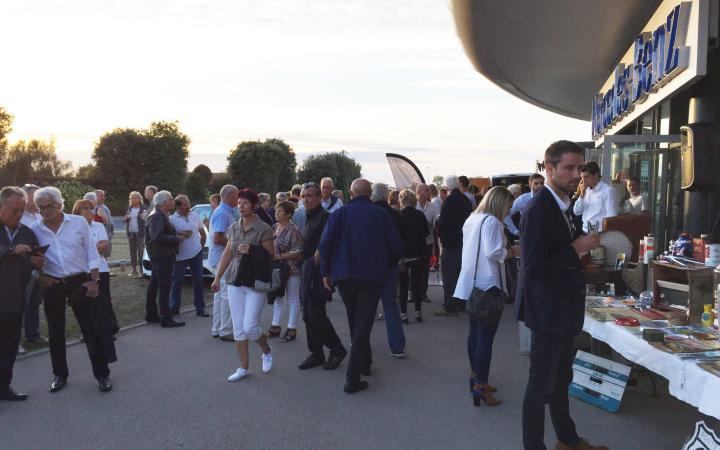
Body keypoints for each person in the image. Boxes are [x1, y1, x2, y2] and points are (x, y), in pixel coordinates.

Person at [516, 141, 605, 450]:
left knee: (560, 382)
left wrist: (577, 248)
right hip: (549, 314)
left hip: (563, 312)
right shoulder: (539, 207)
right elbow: (534, 267)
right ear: (549, 169)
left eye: (578, 168)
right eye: (568, 168)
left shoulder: (562, 204)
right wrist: (575, 249)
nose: (575, 174)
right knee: (539, 388)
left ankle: (567, 440)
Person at [319, 179, 403, 393]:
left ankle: (363, 364)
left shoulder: (339, 214)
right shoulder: (381, 215)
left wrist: (326, 272)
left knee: (355, 320)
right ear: (371, 194)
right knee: (363, 324)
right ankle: (354, 376)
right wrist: (386, 266)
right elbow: (396, 246)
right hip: (372, 276)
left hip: (345, 275)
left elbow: (325, 244)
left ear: (351, 192)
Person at [31, 186, 114, 393]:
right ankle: (60, 374)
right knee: (56, 332)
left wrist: (94, 280)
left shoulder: (78, 223)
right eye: (40, 208)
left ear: (60, 205)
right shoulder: (35, 229)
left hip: (80, 281)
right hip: (53, 284)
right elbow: (31, 260)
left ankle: (102, 375)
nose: (44, 212)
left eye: (49, 207)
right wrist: (39, 277)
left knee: (91, 329)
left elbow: (91, 252)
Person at [454, 186, 519, 407]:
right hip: (489, 283)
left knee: (475, 334)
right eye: (508, 207)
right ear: (500, 203)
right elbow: (493, 252)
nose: (508, 211)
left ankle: (476, 378)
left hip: (473, 281)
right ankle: (481, 384)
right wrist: (512, 252)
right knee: (485, 339)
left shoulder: (472, 218)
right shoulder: (491, 221)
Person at [211, 189, 275, 381]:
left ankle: (267, 350)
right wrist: (217, 278)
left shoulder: (264, 228)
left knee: (250, 327)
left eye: (245, 203)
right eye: (239, 203)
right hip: (235, 280)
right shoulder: (234, 227)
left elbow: (271, 256)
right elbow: (228, 253)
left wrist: (253, 250)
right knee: (239, 328)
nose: (241, 206)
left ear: (254, 206)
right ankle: (244, 368)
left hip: (256, 282)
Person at [297, 182, 347, 371]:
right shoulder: (308, 217)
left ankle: (336, 348)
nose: (306, 199)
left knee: (316, 314)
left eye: (310, 195)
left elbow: (327, 247)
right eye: (303, 196)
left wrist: (318, 268)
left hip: (319, 273)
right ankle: (316, 352)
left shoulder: (326, 218)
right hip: (307, 271)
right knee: (308, 316)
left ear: (319, 198)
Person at [0, 186, 44, 401]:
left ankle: (4, 387)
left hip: (14, 301)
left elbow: (31, 265)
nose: (18, 215)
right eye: (14, 210)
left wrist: (36, 262)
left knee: (9, 348)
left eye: (21, 211)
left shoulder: (27, 233)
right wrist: (10, 251)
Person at [371, 183, 407, 358]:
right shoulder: (395, 215)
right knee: (391, 305)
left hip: (369, 267)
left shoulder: (368, 213)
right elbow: (400, 242)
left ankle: (360, 343)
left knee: (366, 307)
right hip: (389, 266)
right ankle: (397, 346)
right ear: (387, 196)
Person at [73, 200, 119, 336]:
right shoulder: (74, 228)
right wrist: (94, 246)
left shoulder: (98, 226)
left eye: (91, 208)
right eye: (85, 208)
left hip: (101, 268)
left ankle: (110, 329)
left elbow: (104, 246)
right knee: (86, 302)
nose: (89, 211)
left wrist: (87, 247)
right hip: (82, 270)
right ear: (77, 212)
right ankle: (89, 331)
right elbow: (74, 250)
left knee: (103, 300)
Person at [145, 190, 186, 328]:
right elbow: (158, 237)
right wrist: (177, 239)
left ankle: (151, 315)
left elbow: (160, 234)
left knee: (154, 286)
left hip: (160, 256)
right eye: (171, 199)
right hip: (162, 256)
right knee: (164, 287)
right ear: (164, 202)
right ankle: (165, 318)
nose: (173, 201)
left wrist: (175, 235)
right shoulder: (157, 216)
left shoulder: (159, 215)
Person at [266, 201, 303, 342]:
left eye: (280, 211)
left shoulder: (293, 230)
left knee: (292, 298)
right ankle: (275, 326)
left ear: (289, 214)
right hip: (276, 269)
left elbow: (299, 252)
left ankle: (291, 328)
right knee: (278, 296)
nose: (276, 213)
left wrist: (281, 256)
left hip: (291, 269)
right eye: (276, 211)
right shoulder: (275, 227)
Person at [436, 175, 473, 316]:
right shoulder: (466, 200)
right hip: (464, 242)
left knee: (449, 275)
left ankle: (450, 305)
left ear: (447, 187)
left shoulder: (448, 201)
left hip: (450, 244)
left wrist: (437, 222)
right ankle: (462, 302)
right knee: (461, 273)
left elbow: (444, 223)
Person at [169, 195, 208, 317]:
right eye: (185, 204)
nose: (188, 206)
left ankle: (200, 308)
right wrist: (180, 233)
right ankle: (174, 308)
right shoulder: (171, 219)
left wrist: (200, 246)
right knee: (177, 281)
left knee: (198, 281)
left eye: (188, 203)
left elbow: (202, 232)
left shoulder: (195, 216)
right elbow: (169, 235)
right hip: (180, 256)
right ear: (178, 206)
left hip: (196, 253)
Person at [209, 185, 238, 340]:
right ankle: (225, 330)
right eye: (236, 196)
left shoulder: (225, 211)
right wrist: (236, 242)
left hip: (219, 258)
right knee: (226, 294)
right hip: (222, 259)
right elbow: (218, 238)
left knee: (219, 294)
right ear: (228, 196)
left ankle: (217, 328)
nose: (238, 199)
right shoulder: (223, 213)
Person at [20, 183, 44, 352]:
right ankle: (16, 340)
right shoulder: (19, 216)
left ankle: (33, 334)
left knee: (35, 301)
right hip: (22, 265)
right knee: (20, 302)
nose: (37, 200)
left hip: (39, 264)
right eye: (34, 196)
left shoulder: (39, 215)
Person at [398, 189, 429, 323]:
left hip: (404, 255)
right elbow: (426, 233)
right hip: (418, 254)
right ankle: (418, 311)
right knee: (417, 284)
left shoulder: (399, 215)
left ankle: (404, 313)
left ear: (402, 200)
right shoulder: (420, 215)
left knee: (403, 285)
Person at [572, 161, 619, 233]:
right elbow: (576, 212)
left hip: (599, 233)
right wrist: (582, 195)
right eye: (582, 177)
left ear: (596, 175)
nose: (583, 181)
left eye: (586, 177)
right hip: (584, 231)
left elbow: (611, 216)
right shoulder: (586, 191)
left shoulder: (608, 191)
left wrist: (602, 234)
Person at [504, 174, 546, 238]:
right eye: (536, 183)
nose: (539, 185)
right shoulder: (522, 199)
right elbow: (506, 214)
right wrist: (515, 231)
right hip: (529, 235)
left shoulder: (548, 198)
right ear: (530, 184)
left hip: (546, 234)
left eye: (541, 183)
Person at [415, 183, 437, 302]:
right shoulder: (414, 205)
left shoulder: (432, 206)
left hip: (427, 241)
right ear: (419, 192)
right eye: (425, 190)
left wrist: (426, 222)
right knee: (414, 268)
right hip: (414, 241)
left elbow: (434, 224)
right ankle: (412, 292)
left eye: (428, 190)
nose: (428, 192)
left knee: (424, 268)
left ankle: (423, 292)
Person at [124, 191, 147, 278]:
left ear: (139, 199)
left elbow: (147, 219)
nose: (132, 199)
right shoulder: (129, 208)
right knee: (132, 251)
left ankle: (142, 270)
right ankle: (134, 270)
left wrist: (143, 217)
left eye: (134, 197)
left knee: (141, 251)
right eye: (131, 198)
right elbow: (125, 219)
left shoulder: (144, 208)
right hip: (131, 232)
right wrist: (126, 218)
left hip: (140, 232)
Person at [95, 190, 114, 257]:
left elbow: (110, 222)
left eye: (103, 196)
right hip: (99, 239)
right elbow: (105, 222)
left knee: (105, 258)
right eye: (101, 196)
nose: (103, 198)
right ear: (95, 197)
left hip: (107, 236)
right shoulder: (94, 208)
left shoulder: (105, 207)